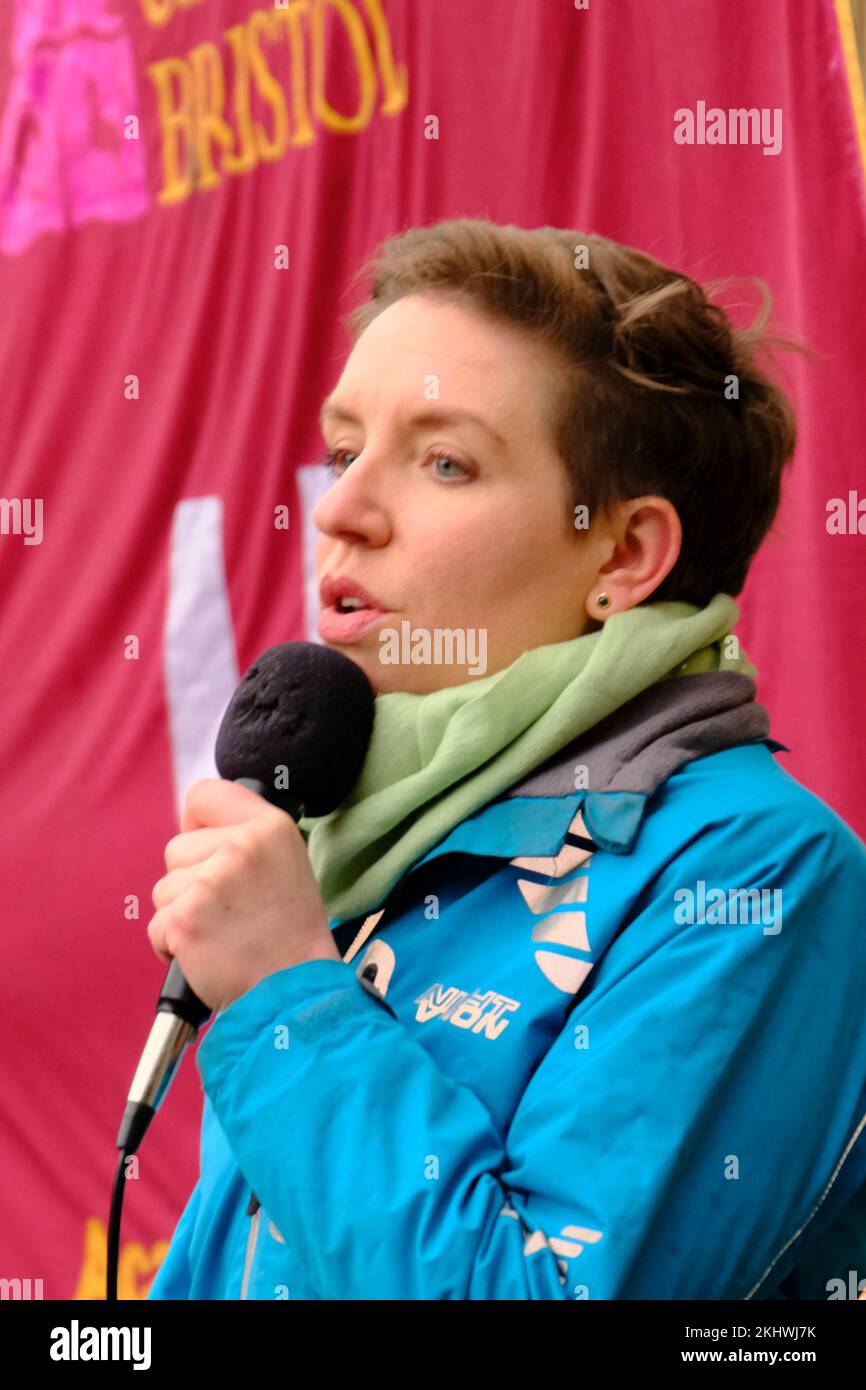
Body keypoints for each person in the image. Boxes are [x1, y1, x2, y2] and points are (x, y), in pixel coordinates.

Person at [146, 219, 866, 1300]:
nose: (339, 508)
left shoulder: (753, 873)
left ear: (621, 555)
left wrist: (288, 997)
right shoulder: (368, 844)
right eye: (344, 451)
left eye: (444, 460)